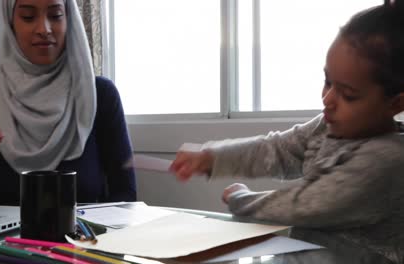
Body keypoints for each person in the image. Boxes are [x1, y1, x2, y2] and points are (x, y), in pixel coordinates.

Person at [170, 1, 404, 263]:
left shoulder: (388, 158)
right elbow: (276, 149)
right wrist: (212, 158)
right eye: (327, 81)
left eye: (348, 95)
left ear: (395, 103)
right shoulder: (326, 125)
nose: (327, 98)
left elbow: (309, 206)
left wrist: (240, 199)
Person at [0, 0, 136, 205]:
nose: (44, 29)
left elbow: (126, 197)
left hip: (88, 237)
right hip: (2, 238)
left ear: (69, 19)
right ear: (11, 23)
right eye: (28, 17)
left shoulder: (99, 95)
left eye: (55, 15)